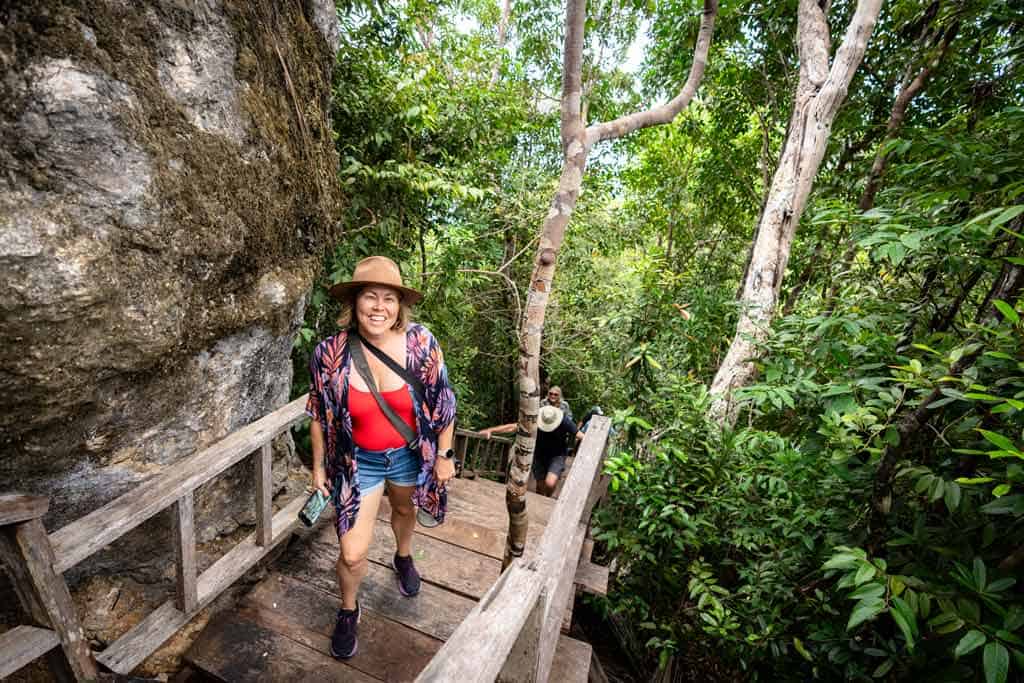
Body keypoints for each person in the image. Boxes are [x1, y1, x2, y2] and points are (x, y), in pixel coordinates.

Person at [305, 256, 457, 660]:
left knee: (405, 510)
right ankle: (348, 609)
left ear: (399, 306)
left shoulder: (422, 343)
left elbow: (445, 403)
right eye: (369, 296)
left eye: (388, 298)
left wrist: (445, 454)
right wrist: (319, 467)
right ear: (354, 302)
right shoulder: (329, 353)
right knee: (352, 553)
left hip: (411, 456)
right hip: (358, 465)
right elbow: (319, 414)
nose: (378, 306)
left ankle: (403, 556)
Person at [480, 405, 581, 497]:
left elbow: (580, 435)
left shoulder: (564, 421)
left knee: (550, 483)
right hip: (539, 454)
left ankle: (548, 497)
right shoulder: (535, 420)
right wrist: (491, 430)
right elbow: (513, 427)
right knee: (540, 487)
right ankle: (542, 501)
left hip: (557, 455)